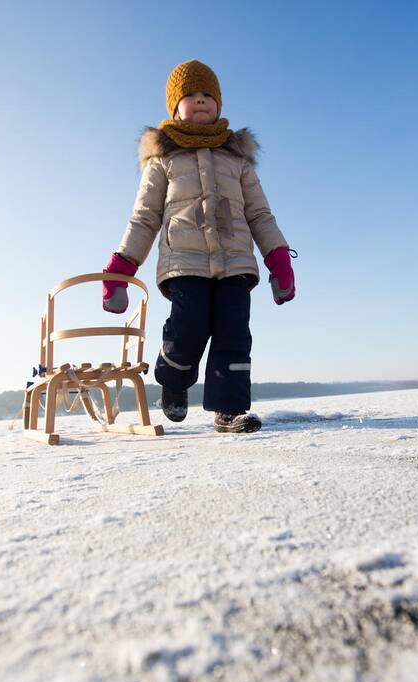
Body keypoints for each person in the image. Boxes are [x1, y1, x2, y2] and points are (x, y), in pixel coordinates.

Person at [101, 59, 295, 433]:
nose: (201, 101)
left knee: (234, 333)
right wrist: (121, 267)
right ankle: (173, 382)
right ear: (175, 107)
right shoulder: (163, 159)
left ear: (219, 104)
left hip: (237, 263)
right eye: (191, 95)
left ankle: (229, 408)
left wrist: (278, 258)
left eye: (209, 95)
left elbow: (260, 215)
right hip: (184, 263)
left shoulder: (237, 160)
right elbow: (144, 218)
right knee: (187, 330)